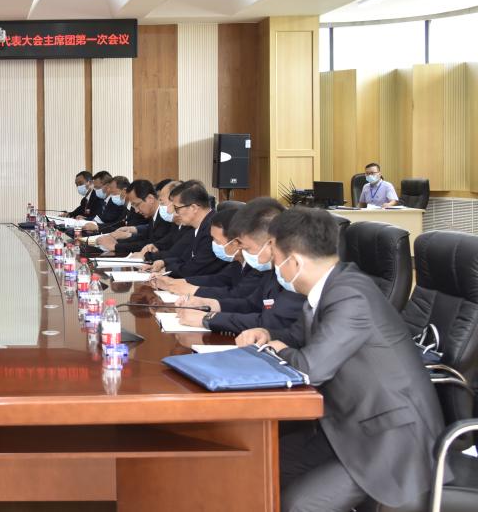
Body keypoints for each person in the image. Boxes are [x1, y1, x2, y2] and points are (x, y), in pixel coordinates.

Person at [236, 207, 442, 511]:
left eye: (276, 258)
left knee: (300, 505)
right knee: (258, 463)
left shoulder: (351, 294)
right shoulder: (331, 286)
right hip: (344, 425)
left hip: (389, 441)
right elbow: (296, 336)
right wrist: (266, 334)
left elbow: (311, 369)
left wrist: (276, 350)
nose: (274, 266)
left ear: (295, 262)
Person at [171, 199, 305, 334]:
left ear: (270, 243)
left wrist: (208, 318)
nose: (241, 250)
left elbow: (272, 323)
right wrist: (208, 303)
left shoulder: (298, 275)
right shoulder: (271, 270)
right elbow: (251, 304)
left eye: (246, 248)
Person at [147, 181, 227, 278]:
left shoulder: (213, 229)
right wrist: (163, 262)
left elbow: (194, 268)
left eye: (176, 208)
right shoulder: (200, 226)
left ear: (193, 208)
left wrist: (166, 270)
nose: (174, 212)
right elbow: (185, 258)